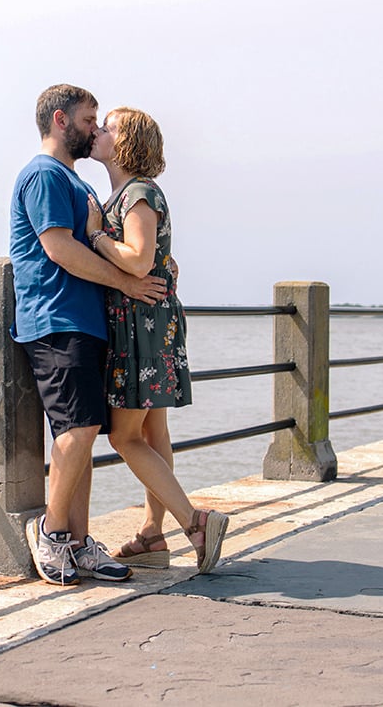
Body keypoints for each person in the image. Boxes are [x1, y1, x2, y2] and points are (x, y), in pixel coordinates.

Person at [10, 84, 168, 586]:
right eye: (87, 120)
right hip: (56, 318)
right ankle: (51, 532)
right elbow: (58, 248)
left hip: (88, 322)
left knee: (84, 431)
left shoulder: (76, 182)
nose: (94, 129)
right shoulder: (44, 175)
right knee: (76, 430)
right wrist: (127, 283)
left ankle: (79, 543)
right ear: (60, 120)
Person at [85, 106, 229, 574]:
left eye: (109, 127)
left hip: (140, 326)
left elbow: (139, 259)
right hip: (146, 321)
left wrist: (95, 236)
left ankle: (194, 522)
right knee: (153, 432)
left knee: (125, 436)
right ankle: (151, 534)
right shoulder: (128, 194)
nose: (99, 131)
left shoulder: (137, 194)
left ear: (127, 143)